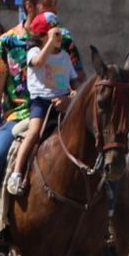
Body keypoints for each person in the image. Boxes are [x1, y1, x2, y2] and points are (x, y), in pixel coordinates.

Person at [0, 0, 82, 256]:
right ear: (30, 7)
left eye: (56, 3)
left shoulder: (65, 39)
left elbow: (77, 79)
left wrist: (70, 99)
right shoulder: (6, 42)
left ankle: (100, 230)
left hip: (61, 113)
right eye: (49, 3)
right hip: (20, 115)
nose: (55, 8)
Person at [6, 11, 80, 196]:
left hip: (63, 101)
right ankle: (16, 173)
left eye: (59, 33)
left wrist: (70, 97)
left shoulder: (64, 56)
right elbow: (37, 63)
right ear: (40, 36)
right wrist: (48, 42)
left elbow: (74, 83)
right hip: (41, 101)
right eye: (53, 33)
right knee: (34, 132)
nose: (58, 37)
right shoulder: (34, 51)